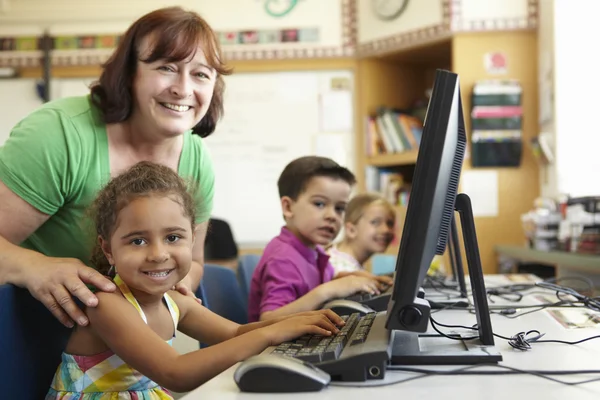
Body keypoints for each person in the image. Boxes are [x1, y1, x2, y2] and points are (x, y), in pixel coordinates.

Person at [0, 6, 229, 329]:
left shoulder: (196, 157)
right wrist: (32, 265)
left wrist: (177, 284)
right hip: (22, 335)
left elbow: (193, 262)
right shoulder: (60, 134)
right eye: (166, 67)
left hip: (117, 351)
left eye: (201, 74)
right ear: (129, 73)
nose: (183, 88)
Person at [45, 161, 344, 398]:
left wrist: (296, 323)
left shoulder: (174, 301)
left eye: (173, 237)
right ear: (108, 249)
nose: (158, 254)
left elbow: (236, 334)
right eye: (137, 241)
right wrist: (271, 334)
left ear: (191, 242)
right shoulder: (105, 304)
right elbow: (175, 372)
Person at [247, 156, 384, 322]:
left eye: (340, 208)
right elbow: (268, 319)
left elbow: (315, 282)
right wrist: (327, 290)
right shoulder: (283, 258)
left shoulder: (314, 250)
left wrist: (352, 278)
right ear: (288, 207)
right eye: (319, 204)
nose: (332, 216)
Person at [327, 193, 396, 286]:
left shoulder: (350, 263)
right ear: (351, 230)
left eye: (390, 223)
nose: (386, 230)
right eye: (375, 222)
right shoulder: (338, 268)